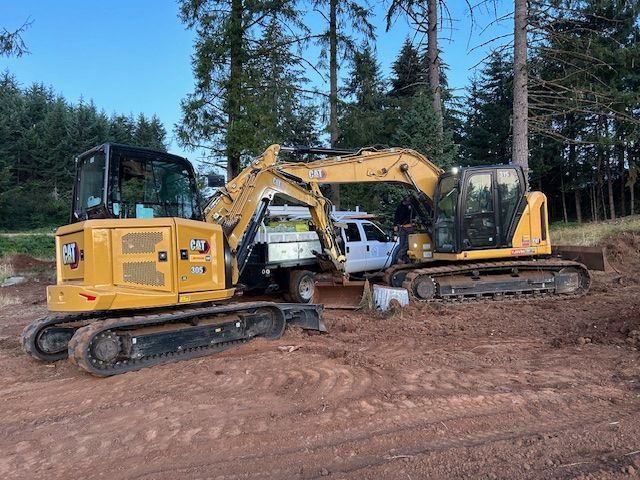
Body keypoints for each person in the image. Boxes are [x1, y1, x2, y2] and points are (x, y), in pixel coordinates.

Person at [394, 195, 414, 263]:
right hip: (402, 227)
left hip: (408, 227)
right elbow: (396, 216)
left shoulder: (411, 207)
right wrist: (395, 225)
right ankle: (401, 259)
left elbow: (413, 215)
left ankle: (400, 258)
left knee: (407, 244)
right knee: (403, 244)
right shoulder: (400, 207)